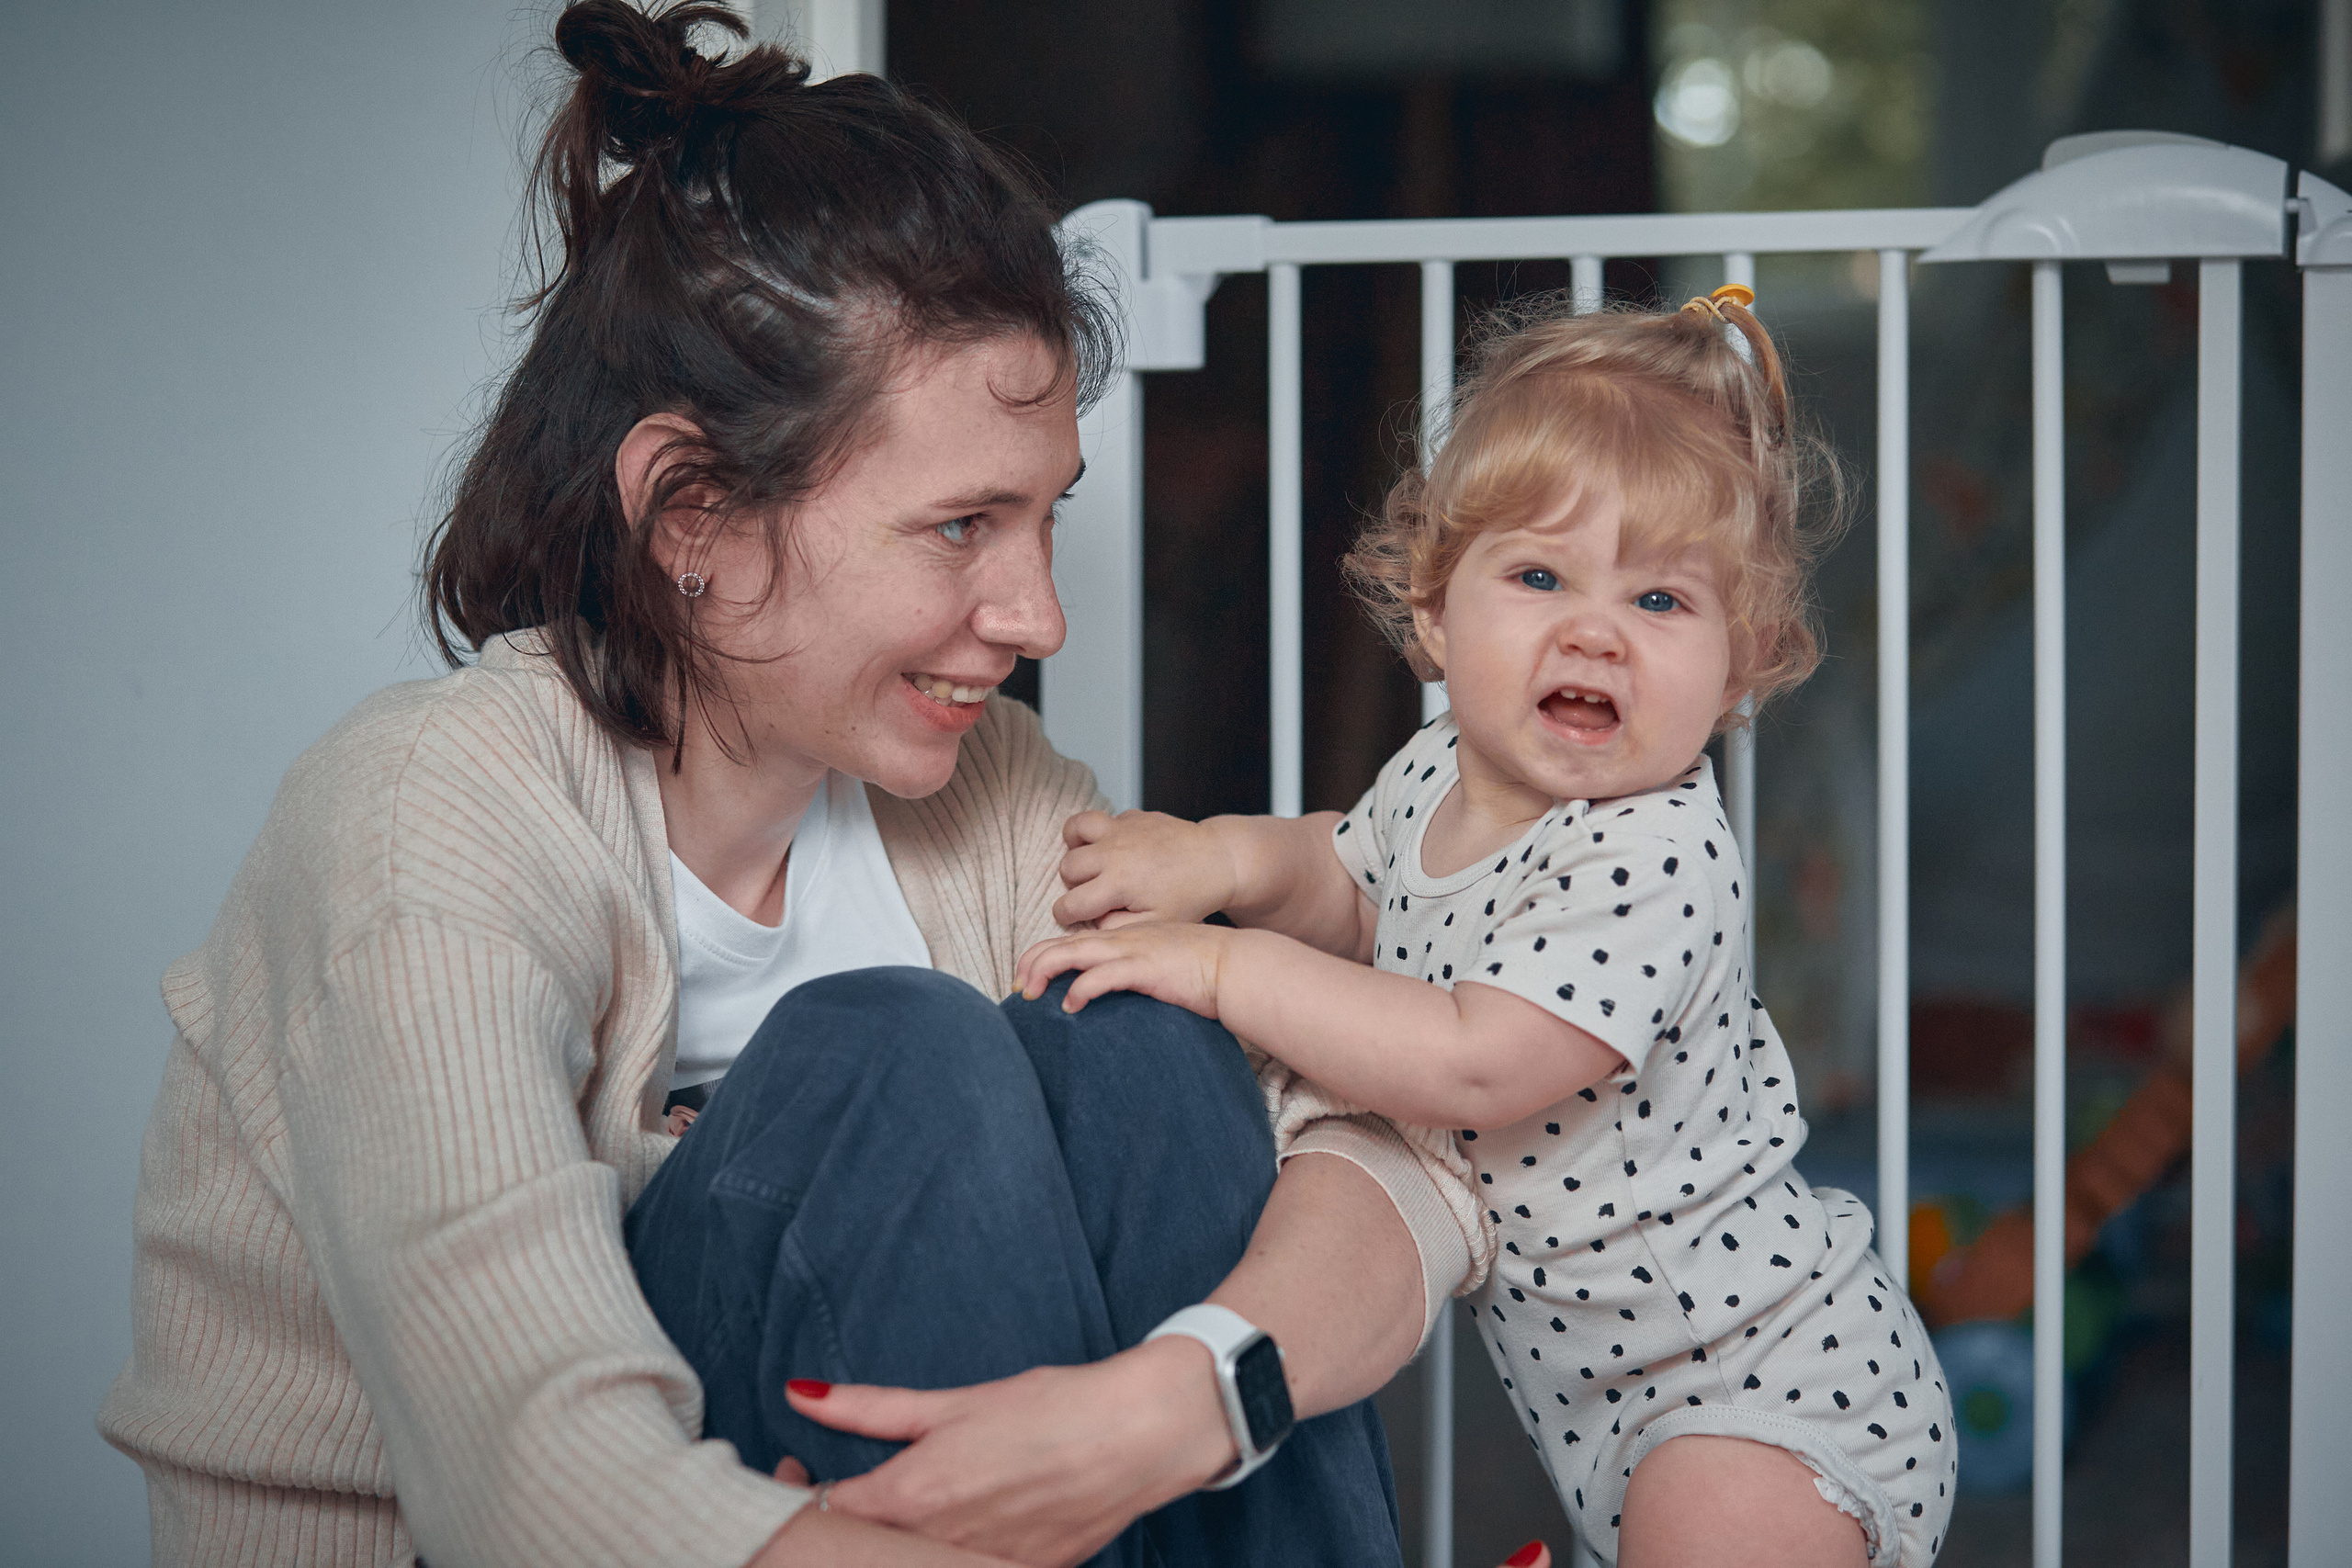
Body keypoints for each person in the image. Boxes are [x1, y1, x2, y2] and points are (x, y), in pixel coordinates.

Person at [96, 5, 1510, 1563]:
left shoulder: (989, 801)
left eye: (1046, 522)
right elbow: (536, 1475)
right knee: (893, 1056)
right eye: (962, 526)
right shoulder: (424, 819)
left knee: (1149, 1040)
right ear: (691, 515)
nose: (1037, 617)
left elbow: (1396, 1164)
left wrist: (1181, 1400)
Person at [1019, 288, 1959, 1567]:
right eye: (1538, 575)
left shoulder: (1658, 857)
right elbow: (1347, 878)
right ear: (1433, 613)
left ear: (1741, 671)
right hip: (1603, 1400)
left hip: (1766, 1383)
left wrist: (1229, 965)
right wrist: (1219, 858)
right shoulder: (1440, 773)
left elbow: (1473, 1057)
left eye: (1663, 604)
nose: (1595, 631)